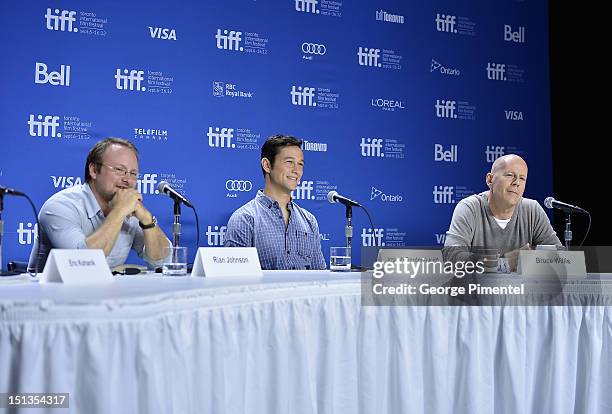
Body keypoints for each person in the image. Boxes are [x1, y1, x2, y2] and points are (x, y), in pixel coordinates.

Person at [28, 138, 171, 271]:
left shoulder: (129, 208)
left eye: (133, 173)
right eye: (119, 170)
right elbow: (83, 263)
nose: (128, 180)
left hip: (106, 294)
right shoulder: (60, 207)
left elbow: (162, 263)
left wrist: (146, 220)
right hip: (53, 294)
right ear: (94, 170)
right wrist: (119, 211)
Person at [224, 134, 326, 270]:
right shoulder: (245, 219)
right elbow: (233, 277)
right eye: (289, 162)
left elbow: (319, 275)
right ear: (267, 165)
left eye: (300, 164)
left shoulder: (309, 220)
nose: (296, 171)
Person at [443, 154, 562, 270]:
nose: (517, 182)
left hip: (518, 289)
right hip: (476, 288)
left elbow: (559, 255)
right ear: (490, 179)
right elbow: (451, 256)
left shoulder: (532, 209)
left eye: (522, 178)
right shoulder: (469, 208)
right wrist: (503, 262)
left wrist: (531, 258)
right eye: (510, 175)